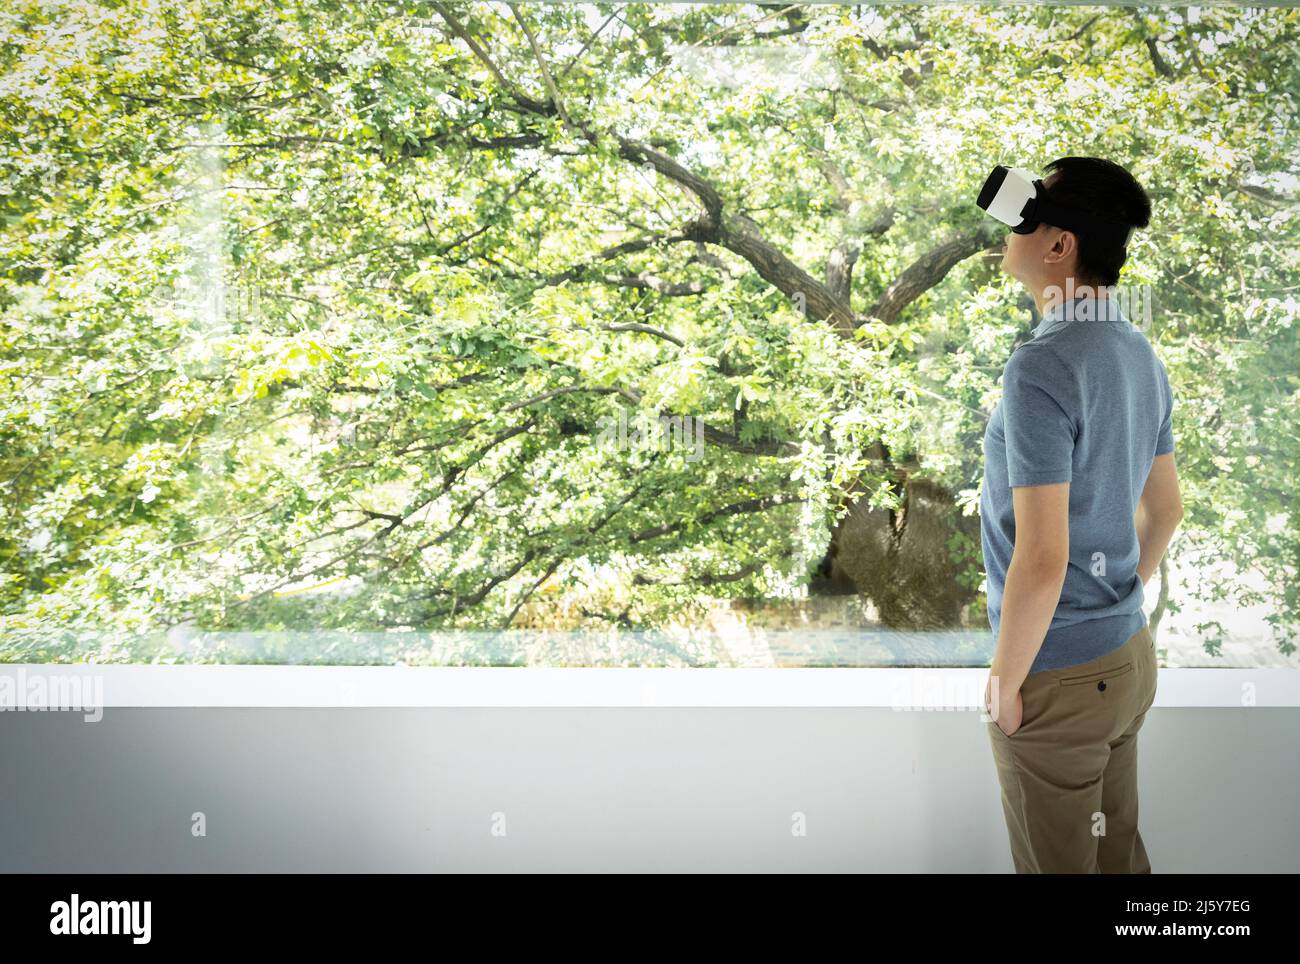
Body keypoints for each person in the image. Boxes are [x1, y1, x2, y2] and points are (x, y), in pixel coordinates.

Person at [978, 157, 1184, 873]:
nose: (1010, 230)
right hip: (1127, 659)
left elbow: (1040, 558)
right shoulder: (1136, 351)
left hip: (1058, 677)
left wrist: (1006, 682)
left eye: (1029, 218)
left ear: (1059, 247)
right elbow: (1167, 510)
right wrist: (1116, 598)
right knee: (1120, 864)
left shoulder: (1041, 364)